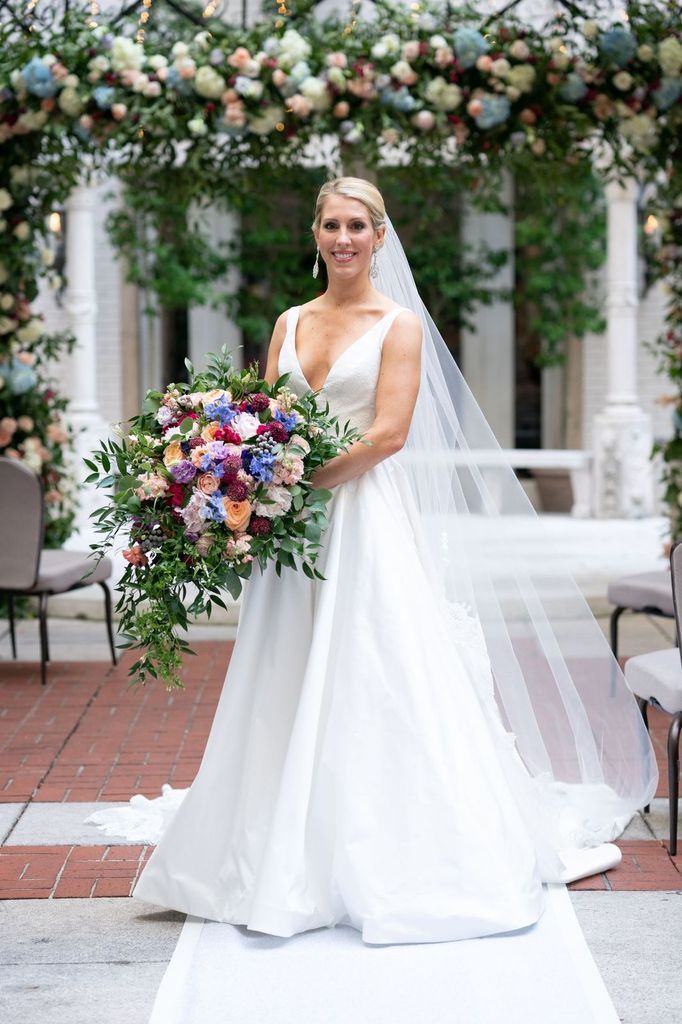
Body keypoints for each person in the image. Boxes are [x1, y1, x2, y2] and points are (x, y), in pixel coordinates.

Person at [90, 176, 657, 946]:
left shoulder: (398, 326)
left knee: (373, 667)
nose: (343, 237)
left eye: (358, 224)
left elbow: (388, 433)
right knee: (283, 670)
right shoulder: (289, 321)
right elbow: (259, 419)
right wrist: (236, 478)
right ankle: (274, 834)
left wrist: (282, 483)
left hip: (362, 522)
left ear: (380, 236)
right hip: (291, 537)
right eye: (331, 224)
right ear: (315, 234)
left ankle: (387, 847)